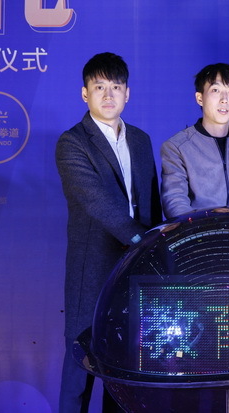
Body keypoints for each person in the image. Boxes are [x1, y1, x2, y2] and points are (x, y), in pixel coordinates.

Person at [55, 52, 161, 412]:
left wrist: (154, 251)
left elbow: (151, 203)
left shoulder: (141, 140)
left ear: (127, 93)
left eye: (116, 87)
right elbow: (97, 203)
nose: (109, 94)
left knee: (126, 372)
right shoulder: (72, 142)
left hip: (136, 272)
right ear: (85, 93)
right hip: (94, 271)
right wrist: (143, 241)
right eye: (99, 87)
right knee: (79, 371)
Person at [160, 63, 229, 218]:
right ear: (200, 98)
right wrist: (208, 218)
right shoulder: (177, 147)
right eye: (216, 90)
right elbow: (175, 204)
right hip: (199, 231)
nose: (224, 99)